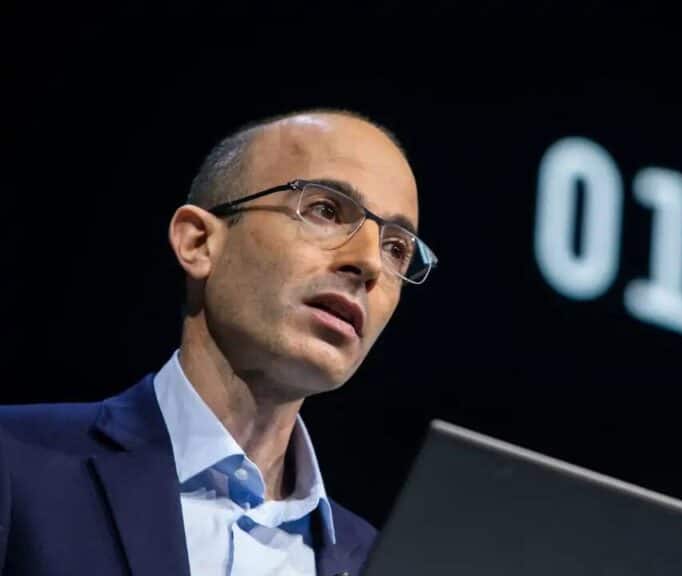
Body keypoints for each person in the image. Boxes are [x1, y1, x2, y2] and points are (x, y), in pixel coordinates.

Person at [0, 108, 438, 576]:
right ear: (199, 242)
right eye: (326, 210)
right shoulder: (15, 459)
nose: (369, 263)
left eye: (396, 248)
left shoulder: (381, 563)